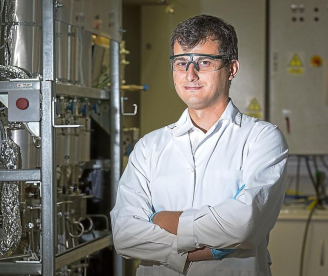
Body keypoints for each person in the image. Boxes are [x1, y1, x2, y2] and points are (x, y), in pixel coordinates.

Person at [110, 14, 288, 276]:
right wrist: (199, 251)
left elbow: (244, 223)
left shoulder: (261, 139)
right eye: (181, 63)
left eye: (203, 62)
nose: (190, 74)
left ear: (232, 69)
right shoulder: (150, 147)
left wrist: (163, 221)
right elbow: (125, 235)